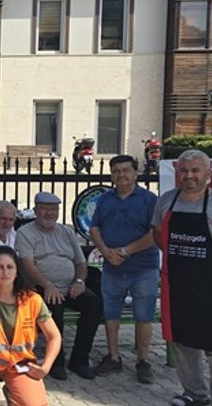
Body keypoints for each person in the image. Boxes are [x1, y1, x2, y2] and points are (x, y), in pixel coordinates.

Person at [16, 191, 102, 380]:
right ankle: (56, 362)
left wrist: (79, 281)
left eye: (53, 209)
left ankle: (79, 360)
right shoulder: (25, 233)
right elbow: (27, 265)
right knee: (53, 307)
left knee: (94, 304)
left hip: (70, 285)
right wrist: (48, 285)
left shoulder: (66, 232)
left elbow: (81, 264)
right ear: (36, 210)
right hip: (40, 286)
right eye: (45, 209)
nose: (49, 213)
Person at [89, 155, 158, 383]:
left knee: (144, 316)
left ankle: (143, 361)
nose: (121, 175)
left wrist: (126, 251)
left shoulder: (149, 200)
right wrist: (106, 252)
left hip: (143, 269)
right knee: (111, 314)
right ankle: (113, 357)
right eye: (116, 171)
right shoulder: (104, 199)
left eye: (126, 170)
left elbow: (154, 235)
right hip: (112, 268)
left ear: (135, 173)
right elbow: (95, 228)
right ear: (111, 175)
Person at [152, 149, 212, 406]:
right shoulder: (166, 200)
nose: (189, 176)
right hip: (177, 283)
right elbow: (157, 234)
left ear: (207, 174)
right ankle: (196, 394)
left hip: (208, 284)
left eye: (195, 170)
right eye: (184, 171)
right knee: (182, 339)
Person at [0, 246, 61, 406]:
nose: (5, 272)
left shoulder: (32, 300)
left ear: (17, 271)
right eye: (0, 267)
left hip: (19, 364)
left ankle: (13, 393)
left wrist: (45, 367)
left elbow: (54, 336)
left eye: (10, 267)